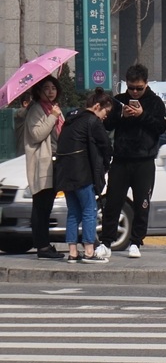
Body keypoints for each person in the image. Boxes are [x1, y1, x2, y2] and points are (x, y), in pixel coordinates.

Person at [97, 64, 166, 259]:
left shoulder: (155, 102)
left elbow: (161, 126)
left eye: (139, 88)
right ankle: (106, 242)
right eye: (131, 88)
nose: (134, 92)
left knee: (142, 204)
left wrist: (142, 115)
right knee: (113, 202)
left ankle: (136, 242)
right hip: (120, 159)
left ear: (146, 84)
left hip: (144, 161)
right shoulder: (118, 101)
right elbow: (107, 124)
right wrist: (122, 115)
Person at [54, 89, 114, 264]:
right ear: (97, 106)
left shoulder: (70, 119)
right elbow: (106, 145)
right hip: (82, 173)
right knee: (89, 210)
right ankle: (89, 250)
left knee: (73, 212)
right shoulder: (92, 121)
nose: (105, 117)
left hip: (65, 173)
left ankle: (72, 252)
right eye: (105, 112)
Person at [22, 76, 64, 259]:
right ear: (38, 91)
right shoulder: (37, 110)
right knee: (41, 206)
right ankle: (42, 246)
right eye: (46, 88)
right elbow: (37, 134)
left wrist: (56, 115)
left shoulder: (54, 109)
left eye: (53, 88)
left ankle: (45, 244)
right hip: (42, 163)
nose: (50, 91)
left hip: (55, 162)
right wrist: (53, 117)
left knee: (47, 206)